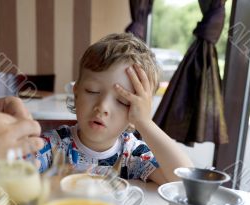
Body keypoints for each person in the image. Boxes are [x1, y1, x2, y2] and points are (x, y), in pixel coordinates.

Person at [36, 33, 193, 184]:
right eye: (92, 91)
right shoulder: (53, 146)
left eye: (122, 101)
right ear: (76, 93)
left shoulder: (133, 155)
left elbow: (186, 183)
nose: (102, 107)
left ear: (134, 114)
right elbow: (14, 173)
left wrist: (145, 123)